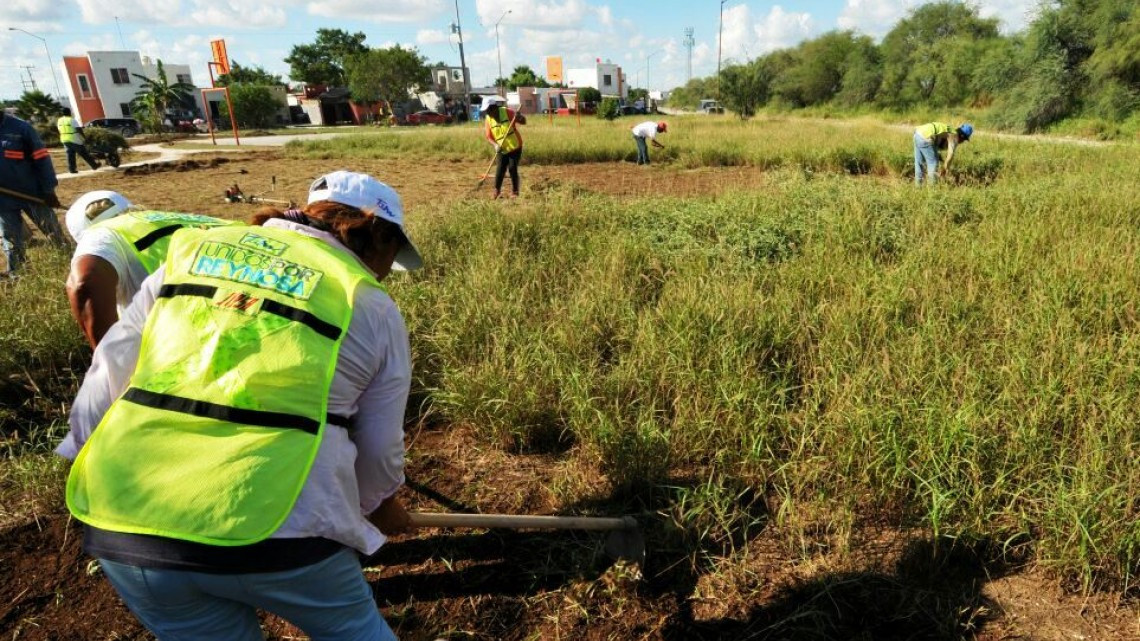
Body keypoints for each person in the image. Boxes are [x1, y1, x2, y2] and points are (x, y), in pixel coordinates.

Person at [58, 170, 421, 640]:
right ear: (379, 236)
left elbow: (107, 375)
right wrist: (377, 506)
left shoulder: (190, 253)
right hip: (278, 527)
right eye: (391, 258)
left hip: (127, 525)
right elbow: (379, 446)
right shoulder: (365, 299)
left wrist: (85, 457)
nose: (385, 273)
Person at [64, 191, 239, 347]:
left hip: (198, 347)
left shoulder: (101, 233)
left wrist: (110, 362)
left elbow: (85, 282)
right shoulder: (184, 219)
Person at [1, 111, 64, 277]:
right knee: (10, 237)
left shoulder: (22, 128)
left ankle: (68, 260)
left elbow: (42, 159)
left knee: (52, 230)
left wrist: (48, 190)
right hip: (4, 200)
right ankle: (18, 273)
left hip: (33, 194)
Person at [481, 95, 526, 199]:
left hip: (515, 146)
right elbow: (489, 136)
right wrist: (495, 145)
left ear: (494, 108)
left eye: (488, 111)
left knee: (512, 168)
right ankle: (496, 191)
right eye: (486, 111)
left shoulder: (507, 112)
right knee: (500, 169)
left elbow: (523, 121)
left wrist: (519, 117)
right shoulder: (488, 119)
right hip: (501, 148)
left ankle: (515, 192)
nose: (487, 113)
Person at [57, 108, 100, 174]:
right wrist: (84, 137)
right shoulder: (72, 120)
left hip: (64, 139)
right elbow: (78, 129)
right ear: (69, 112)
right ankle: (94, 165)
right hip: (74, 139)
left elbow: (59, 129)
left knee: (70, 155)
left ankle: (72, 169)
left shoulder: (59, 120)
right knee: (84, 153)